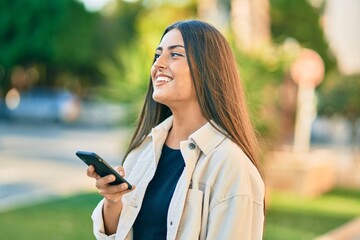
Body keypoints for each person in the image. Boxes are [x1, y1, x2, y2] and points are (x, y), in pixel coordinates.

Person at [87, 19, 265, 240]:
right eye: (157, 55)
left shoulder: (230, 165)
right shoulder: (143, 151)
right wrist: (113, 201)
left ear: (208, 69)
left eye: (175, 54)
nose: (158, 64)